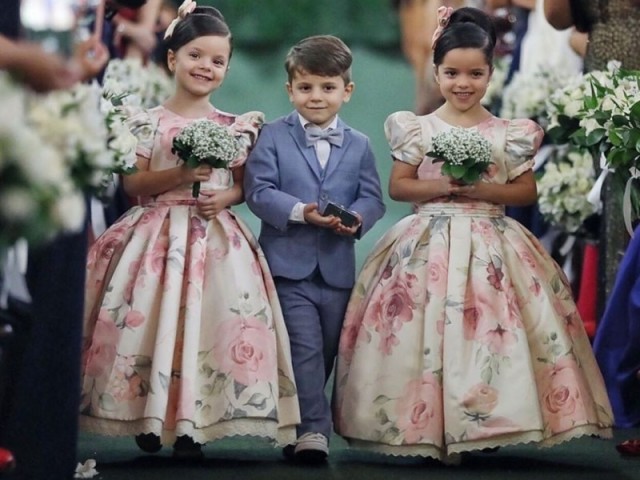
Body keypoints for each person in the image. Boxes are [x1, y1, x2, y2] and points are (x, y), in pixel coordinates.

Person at [332, 7, 613, 464]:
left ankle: (489, 422)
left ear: (490, 72)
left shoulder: (509, 133)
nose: (463, 83)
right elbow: (399, 185)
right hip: (428, 239)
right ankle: (425, 423)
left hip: (493, 238)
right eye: (452, 73)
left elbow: (526, 189)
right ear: (437, 72)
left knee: (492, 332)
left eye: (475, 74)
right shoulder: (418, 128)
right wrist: (442, 184)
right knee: (424, 329)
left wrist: (483, 188)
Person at [78, 1, 300, 458]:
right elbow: (135, 184)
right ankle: (148, 411)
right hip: (156, 233)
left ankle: (193, 421)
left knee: (209, 324)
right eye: (196, 55)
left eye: (218, 61)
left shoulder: (234, 127)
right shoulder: (148, 122)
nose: (207, 67)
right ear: (173, 58)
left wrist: (226, 197)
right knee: (150, 324)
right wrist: (181, 176)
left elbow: (239, 185)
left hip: (214, 237)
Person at [243, 34, 386, 464]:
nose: (316, 97)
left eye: (327, 87)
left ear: (347, 90)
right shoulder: (272, 135)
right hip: (288, 265)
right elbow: (258, 191)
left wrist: (358, 218)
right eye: (306, 88)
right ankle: (312, 432)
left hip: (338, 267)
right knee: (303, 345)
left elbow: (373, 197)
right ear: (290, 90)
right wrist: (300, 212)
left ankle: (296, 420)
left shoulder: (359, 144)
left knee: (325, 349)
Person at [0, 7, 110, 480]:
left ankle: (35, 454)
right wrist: (20, 56)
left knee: (48, 307)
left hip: (44, 127)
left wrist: (69, 68)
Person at [544, 0, 640, 319]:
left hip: (620, 82)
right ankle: (620, 333)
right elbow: (558, 18)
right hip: (609, 92)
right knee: (616, 210)